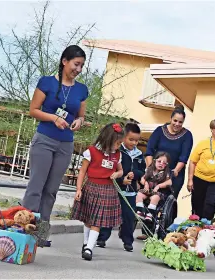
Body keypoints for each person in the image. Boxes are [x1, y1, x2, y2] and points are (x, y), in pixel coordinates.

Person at [22, 45, 89, 247]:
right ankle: (25, 228)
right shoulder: (47, 82)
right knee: (36, 186)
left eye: (82, 66)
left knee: (51, 190)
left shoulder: (82, 90)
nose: (78, 69)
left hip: (65, 144)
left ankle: (41, 234)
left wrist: (80, 121)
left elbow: (81, 115)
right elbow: (33, 110)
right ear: (64, 61)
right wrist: (52, 118)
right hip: (44, 139)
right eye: (76, 64)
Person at [137, 104, 192, 240]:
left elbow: (184, 157)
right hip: (155, 170)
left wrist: (175, 171)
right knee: (148, 196)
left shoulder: (187, 135)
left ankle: (164, 233)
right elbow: (149, 150)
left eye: (180, 122)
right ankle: (146, 230)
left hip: (173, 174)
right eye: (175, 120)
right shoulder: (159, 131)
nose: (177, 124)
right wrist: (152, 169)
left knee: (167, 201)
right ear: (171, 119)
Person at [71, 123, 125, 261]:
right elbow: (82, 171)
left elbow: (120, 170)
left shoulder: (117, 155)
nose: (119, 146)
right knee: (89, 219)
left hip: (107, 190)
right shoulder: (92, 152)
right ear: (108, 139)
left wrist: (117, 174)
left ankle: (89, 248)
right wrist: (78, 189)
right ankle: (86, 243)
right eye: (117, 143)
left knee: (97, 221)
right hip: (91, 187)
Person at [96, 123, 146, 252]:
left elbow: (142, 171)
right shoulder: (118, 151)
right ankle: (102, 238)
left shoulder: (139, 155)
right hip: (116, 189)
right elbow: (111, 169)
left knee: (129, 217)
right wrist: (121, 179)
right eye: (131, 139)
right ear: (124, 138)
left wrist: (135, 174)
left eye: (137, 140)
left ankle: (128, 241)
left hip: (130, 192)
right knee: (109, 214)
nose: (134, 143)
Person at [136, 151, 173, 221]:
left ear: (166, 165)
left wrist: (159, 186)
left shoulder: (166, 173)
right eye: (159, 161)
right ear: (154, 161)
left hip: (157, 192)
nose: (161, 164)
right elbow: (142, 179)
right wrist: (146, 184)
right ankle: (141, 211)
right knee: (139, 194)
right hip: (147, 190)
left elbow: (169, 182)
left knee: (155, 198)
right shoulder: (149, 170)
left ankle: (150, 214)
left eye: (164, 163)